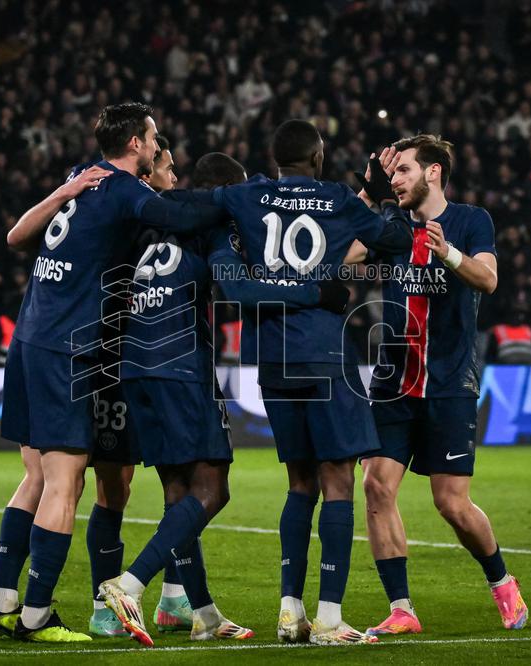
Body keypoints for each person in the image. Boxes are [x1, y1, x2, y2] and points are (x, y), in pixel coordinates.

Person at [142, 119, 410, 646]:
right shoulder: (336, 198)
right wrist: (381, 197)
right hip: (324, 355)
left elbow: (191, 206)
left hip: (270, 360)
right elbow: (396, 239)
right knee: (338, 482)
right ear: (318, 156)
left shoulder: (249, 195)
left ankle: (290, 611)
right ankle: (329, 618)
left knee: (299, 483)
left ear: (274, 158)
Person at [0, 102, 227, 643]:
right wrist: (237, 198)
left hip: (27, 337)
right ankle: (37, 615)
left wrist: (65, 192)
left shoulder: (80, 178)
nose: (159, 148)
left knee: (38, 477)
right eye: (154, 138)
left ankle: (1, 601)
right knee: (66, 482)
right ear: (137, 143)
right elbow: (180, 216)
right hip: (67, 347)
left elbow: (16, 238)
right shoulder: (125, 190)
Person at [98, 151, 351, 647]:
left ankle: (205, 615)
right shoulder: (213, 227)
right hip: (179, 367)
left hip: (134, 365)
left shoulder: (152, 227)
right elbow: (237, 288)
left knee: (178, 492)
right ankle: (130, 583)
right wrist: (316, 294)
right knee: (213, 490)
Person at [355, 135, 528, 635]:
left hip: (450, 383)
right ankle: (402, 609)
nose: (397, 180)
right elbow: (343, 257)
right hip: (392, 381)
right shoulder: (389, 225)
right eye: (392, 174)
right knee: (376, 486)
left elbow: (489, 279)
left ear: (433, 173)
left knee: (450, 503)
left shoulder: (471, 221)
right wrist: (367, 195)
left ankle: (500, 580)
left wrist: (448, 253)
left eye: (404, 171)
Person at [85, 135, 196, 638]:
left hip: (153, 365)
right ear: (147, 175)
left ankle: (174, 598)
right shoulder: (126, 218)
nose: (175, 180)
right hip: (114, 365)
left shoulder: (165, 226)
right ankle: (105, 607)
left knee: (182, 482)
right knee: (115, 487)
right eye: (169, 170)